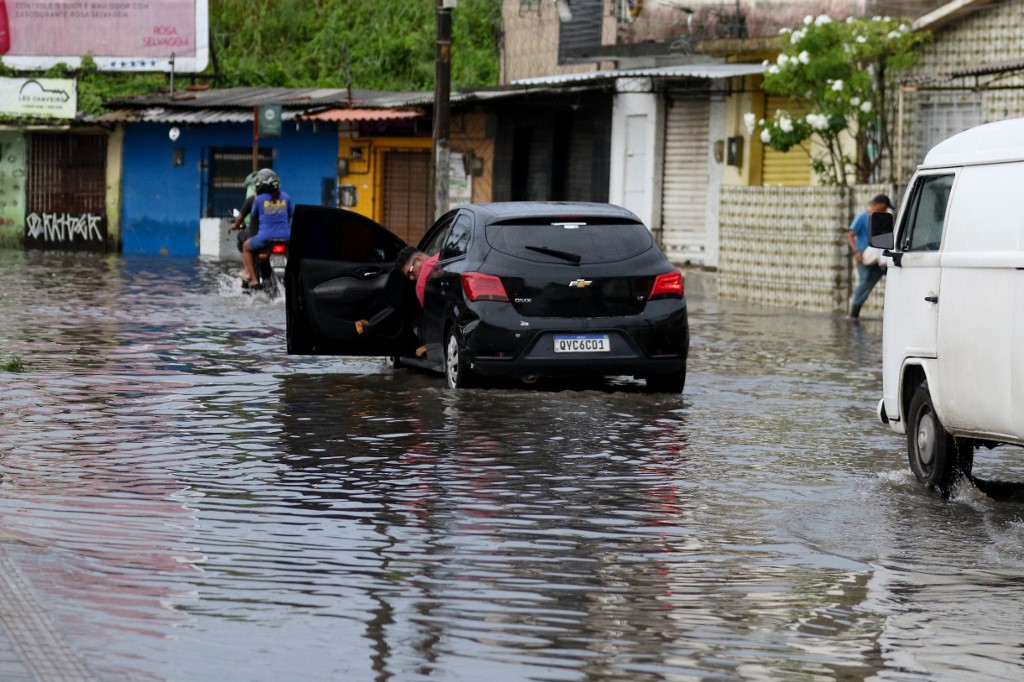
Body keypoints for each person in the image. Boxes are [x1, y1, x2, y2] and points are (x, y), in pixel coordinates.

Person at [240, 169, 293, 288]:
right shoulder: (286, 197)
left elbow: (254, 215)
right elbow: (290, 215)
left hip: (265, 238)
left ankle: (252, 278)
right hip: (286, 238)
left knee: (245, 247)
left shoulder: (258, 199)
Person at [846, 193, 892, 319]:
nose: (884, 211)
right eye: (882, 208)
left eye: (885, 209)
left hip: (881, 260)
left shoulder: (883, 218)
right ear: (875, 205)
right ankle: (853, 314)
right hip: (865, 258)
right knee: (865, 284)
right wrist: (856, 252)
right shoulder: (862, 217)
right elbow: (850, 235)